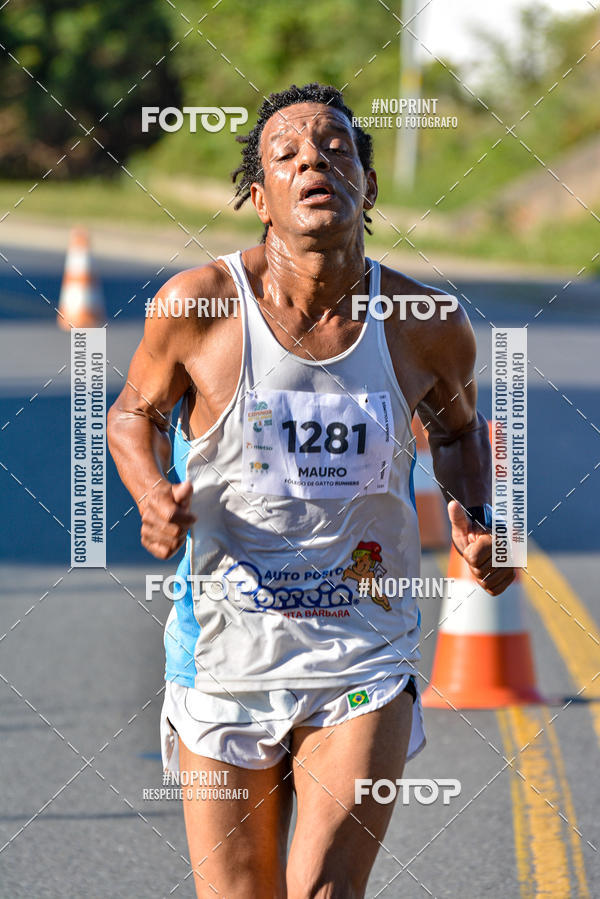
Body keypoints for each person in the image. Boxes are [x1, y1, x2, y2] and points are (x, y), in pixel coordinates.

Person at [107, 82, 515, 899]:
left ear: (367, 181)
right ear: (258, 196)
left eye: (335, 148)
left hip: (360, 647)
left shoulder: (425, 320)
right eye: (286, 154)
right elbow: (133, 413)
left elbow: (462, 431)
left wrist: (485, 528)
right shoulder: (200, 305)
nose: (313, 162)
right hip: (224, 654)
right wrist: (153, 493)